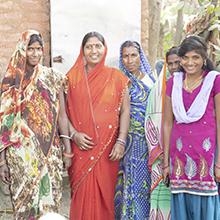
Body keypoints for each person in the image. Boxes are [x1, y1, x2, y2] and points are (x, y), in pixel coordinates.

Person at [0, 30, 72, 220]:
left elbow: (62, 117)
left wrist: (68, 150)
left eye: (39, 49)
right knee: (25, 206)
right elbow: (4, 124)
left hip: (50, 153)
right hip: (21, 156)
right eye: (30, 49)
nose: (35, 53)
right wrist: (2, 161)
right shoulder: (11, 83)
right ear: (21, 50)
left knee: (50, 204)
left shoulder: (53, 78)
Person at [65, 31, 130, 220]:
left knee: (105, 196)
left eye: (98, 46)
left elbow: (125, 110)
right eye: (89, 46)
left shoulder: (116, 77)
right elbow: (63, 113)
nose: (94, 51)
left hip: (108, 149)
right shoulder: (72, 77)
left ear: (105, 48)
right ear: (82, 50)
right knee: (82, 194)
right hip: (81, 148)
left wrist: (121, 141)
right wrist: (74, 134)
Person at [163, 35, 220, 219]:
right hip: (179, 158)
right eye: (185, 57)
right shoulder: (173, 82)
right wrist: (166, 164)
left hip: (207, 157)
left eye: (195, 57)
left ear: (204, 58)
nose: (190, 62)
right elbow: (167, 124)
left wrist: (219, 162)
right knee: (182, 209)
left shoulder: (214, 81)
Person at [114, 40, 155, 220]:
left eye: (133, 55)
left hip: (147, 144)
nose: (129, 60)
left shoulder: (150, 82)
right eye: (125, 56)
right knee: (124, 186)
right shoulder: (118, 81)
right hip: (123, 143)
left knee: (143, 186)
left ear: (141, 56)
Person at [145, 46, 180, 220]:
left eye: (177, 63)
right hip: (161, 157)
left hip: (185, 154)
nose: (173, 67)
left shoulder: (192, 88)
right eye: (170, 63)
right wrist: (160, 153)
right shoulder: (157, 90)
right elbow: (150, 124)